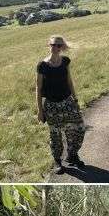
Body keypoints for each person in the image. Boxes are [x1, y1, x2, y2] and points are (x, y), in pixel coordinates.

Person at [36, 35, 85, 174]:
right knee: (55, 135)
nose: (55, 48)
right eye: (53, 44)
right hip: (51, 105)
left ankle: (72, 155)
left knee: (79, 128)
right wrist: (40, 110)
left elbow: (70, 81)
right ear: (49, 45)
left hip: (67, 101)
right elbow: (38, 88)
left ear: (62, 47)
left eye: (59, 45)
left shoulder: (65, 61)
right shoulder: (42, 65)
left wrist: (75, 100)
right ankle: (57, 160)